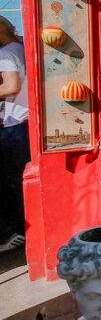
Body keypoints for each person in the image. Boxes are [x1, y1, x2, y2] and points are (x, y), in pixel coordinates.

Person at [0, 16, 30, 253]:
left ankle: (21, 231)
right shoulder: (21, 47)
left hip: (15, 123)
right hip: (27, 120)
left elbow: (11, 86)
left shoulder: (6, 54)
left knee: (16, 181)